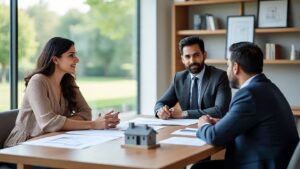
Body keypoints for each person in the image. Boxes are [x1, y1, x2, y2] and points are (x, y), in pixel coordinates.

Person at [193, 42, 299, 169]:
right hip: (275, 162)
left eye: (228, 65)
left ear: (235, 67)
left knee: (199, 168)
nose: (227, 71)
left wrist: (203, 124)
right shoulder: (268, 87)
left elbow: (214, 137)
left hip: (258, 164)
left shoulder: (249, 94)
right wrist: (222, 122)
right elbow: (253, 121)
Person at [4, 37, 120, 147]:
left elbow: (86, 113)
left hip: (51, 141)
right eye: (71, 55)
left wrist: (60, 123)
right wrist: (93, 124)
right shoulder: (38, 81)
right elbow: (49, 123)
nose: (77, 59)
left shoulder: (68, 81)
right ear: (55, 59)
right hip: (22, 147)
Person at [154, 36, 231, 119]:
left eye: (196, 55)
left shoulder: (219, 77)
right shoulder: (179, 78)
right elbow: (160, 103)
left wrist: (184, 114)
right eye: (187, 56)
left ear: (204, 55)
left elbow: (220, 110)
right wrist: (161, 111)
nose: (192, 61)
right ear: (183, 59)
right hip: (185, 128)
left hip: (211, 127)